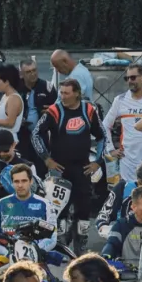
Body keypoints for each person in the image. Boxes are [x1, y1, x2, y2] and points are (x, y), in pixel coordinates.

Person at [32, 79, 106, 247]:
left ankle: (81, 240)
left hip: (83, 167)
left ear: (77, 93)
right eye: (61, 93)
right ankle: (60, 241)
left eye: (66, 93)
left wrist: (98, 162)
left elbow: (102, 136)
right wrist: (46, 159)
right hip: (59, 168)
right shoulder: (54, 110)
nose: (62, 96)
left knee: (84, 206)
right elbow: (35, 134)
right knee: (58, 207)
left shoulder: (89, 110)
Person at [100, 185, 142, 261]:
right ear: (134, 207)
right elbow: (111, 244)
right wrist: (105, 255)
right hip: (127, 267)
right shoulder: (121, 225)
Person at [17, 58, 57, 176]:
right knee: (23, 169)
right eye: (28, 72)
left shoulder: (47, 87)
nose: (32, 74)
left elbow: (58, 110)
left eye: (34, 70)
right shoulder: (15, 88)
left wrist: (51, 112)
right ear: (21, 74)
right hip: (22, 135)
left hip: (41, 135)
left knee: (41, 169)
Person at [0, 130, 35, 212]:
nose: (2, 154)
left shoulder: (28, 166)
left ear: (14, 145)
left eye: (6, 150)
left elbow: (35, 195)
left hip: (22, 211)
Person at [0, 65, 26, 146]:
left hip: (6, 145)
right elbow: (0, 113)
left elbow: (10, 123)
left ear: (7, 82)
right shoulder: (5, 96)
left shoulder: (14, 99)